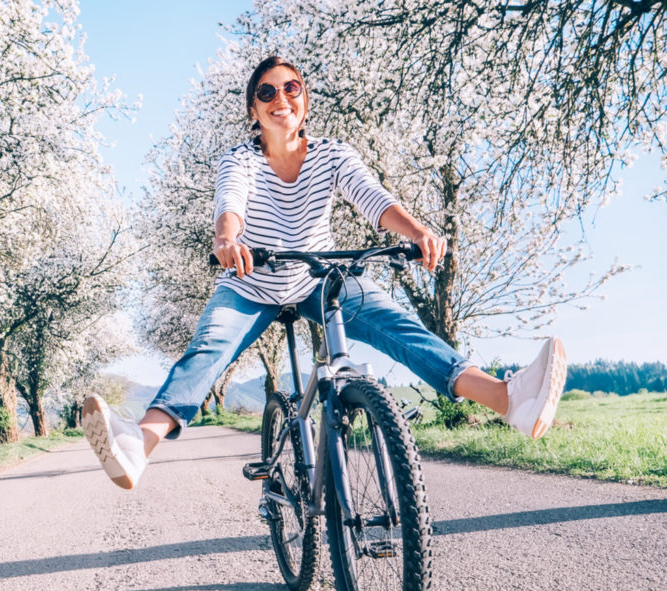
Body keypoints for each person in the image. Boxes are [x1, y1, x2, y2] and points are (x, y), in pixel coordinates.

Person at [82, 56, 567, 490]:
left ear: (305, 101)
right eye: (267, 92)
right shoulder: (241, 159)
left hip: (319, 278)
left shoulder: (333, 154)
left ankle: (508, 400)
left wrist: (418, 231)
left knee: (400, 328)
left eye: (291, 88)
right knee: (208, 349)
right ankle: (137, 445)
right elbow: (230, 204)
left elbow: (372, 197)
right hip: (251, 283)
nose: (280, 99)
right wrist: (227, 241)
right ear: (254, 110)